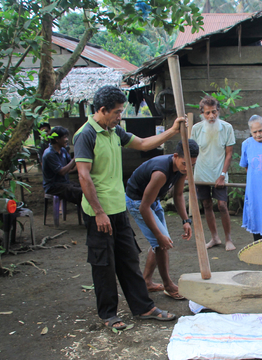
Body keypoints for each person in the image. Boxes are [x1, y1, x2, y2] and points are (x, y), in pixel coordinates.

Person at [74, 85, 187, 330]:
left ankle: (143, 307)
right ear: (102, 110)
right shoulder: (86, 135)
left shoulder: (115, 131)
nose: (120, 116)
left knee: (128, 260)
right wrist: (99, 212)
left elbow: (145, 144)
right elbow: (84, 176)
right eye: (116, 112)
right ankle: (109, 315)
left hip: (118, 208)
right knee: (104, 264)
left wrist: (172, 131)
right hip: (98, 213)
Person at [125, 140, 199, 300]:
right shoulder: (161, 173)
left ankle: (146, 281)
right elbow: (143, 207)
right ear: (175, 156)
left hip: (153, 200)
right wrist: (159, 235)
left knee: (160, 243)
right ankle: (168, 285)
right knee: (161, 243)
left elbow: (178, 195)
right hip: (137, 202)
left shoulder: (183, 168)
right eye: (185, 164)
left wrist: (186, 220)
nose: (187, 168)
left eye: (192, 165)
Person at [190, 96, 236, 251]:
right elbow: (192, 152)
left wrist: (222, 175)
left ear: (218, 111)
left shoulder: (227, 128)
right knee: (206, 204)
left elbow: (229, 154)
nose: (211, 116)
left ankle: (228, 239)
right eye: (208, 113)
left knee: (222, 205)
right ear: (202, 113)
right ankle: (215, 238)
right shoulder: (196, 129)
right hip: (201, 174)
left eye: (214, 112)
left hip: (219, 174)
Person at [42, 126, 82, 205]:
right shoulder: (49, 154)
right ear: (57, 139)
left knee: (86, 188)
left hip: (64, 183)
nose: (67, 139)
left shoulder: (62, 150)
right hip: (53, 186)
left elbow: (70, 168)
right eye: (64, 137)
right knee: (81, 192)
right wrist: (75, 159)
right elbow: (62, 172)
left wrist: (81, 162)